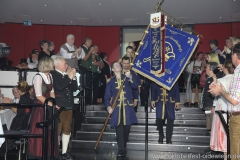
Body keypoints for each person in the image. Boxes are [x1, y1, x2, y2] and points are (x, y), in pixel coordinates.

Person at [209, 43, 240, 160]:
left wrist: (221, 91)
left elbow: (234, 100)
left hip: (237, 117)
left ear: (235, 55)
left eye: (231, 54)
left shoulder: (238, 71)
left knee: (235, 153)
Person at [28, 56, 60, 159]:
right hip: (40, 107)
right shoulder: (38, 77)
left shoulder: (50, 76)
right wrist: (50, 104)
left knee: (51, 131)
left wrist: (54, 103)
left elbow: (52, 92)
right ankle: (38, 154)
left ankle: (50, 154)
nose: (53, 65)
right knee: (40, 131)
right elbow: (38, 96)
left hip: (48, 105)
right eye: (52, 63)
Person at [105, 61, 138, 157]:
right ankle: (121, 150)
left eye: (119, 65)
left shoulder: (127, 77)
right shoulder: (110, 82)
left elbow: (135, 86)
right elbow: (107, 96)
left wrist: (129, 77)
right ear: (113, 70)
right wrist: (108, 107)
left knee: (127, 129)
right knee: (119, 129)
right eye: (116, 65)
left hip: (128, 108)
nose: (118, 66)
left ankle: (123, 147)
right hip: (117, 109)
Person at [51, 56, 77, 160]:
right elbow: (60, 87)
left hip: (68, 105)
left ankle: (65, 151)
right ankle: (55, 151)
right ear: (58, 65)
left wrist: (73, 77)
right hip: (59, 106)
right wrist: (69, 77)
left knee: (67, 128)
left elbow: (74, 88)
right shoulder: (53, 75)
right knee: (57, 129)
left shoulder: (66, 75)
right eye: (65, 64)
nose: (67, 65)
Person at [210, 60, 234, 160]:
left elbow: (213, 93)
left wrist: (214, 78)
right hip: (232, 107)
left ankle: (225, 156)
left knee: (223, 131)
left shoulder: (221, 80)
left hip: (222, 106)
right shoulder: (235, 78)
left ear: (225, 68)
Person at [0, 81, 33, 153]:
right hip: (26, 122)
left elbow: (18, 112)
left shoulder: (23, 98)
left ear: (20, 90)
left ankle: (3, 151)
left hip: (21, 124)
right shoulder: (28, 96)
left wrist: (9, 104)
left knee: (5, 129)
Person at [202, 62, 218, 134]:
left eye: (207, 68)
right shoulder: (209, 79)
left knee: (211, 119)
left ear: (211, 69)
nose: (206, 70)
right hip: (207, 104)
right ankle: (209, 130)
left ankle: (212, 133)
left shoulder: (213, 79)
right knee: (208, 118)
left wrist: (213, 106)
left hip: (211, 104)